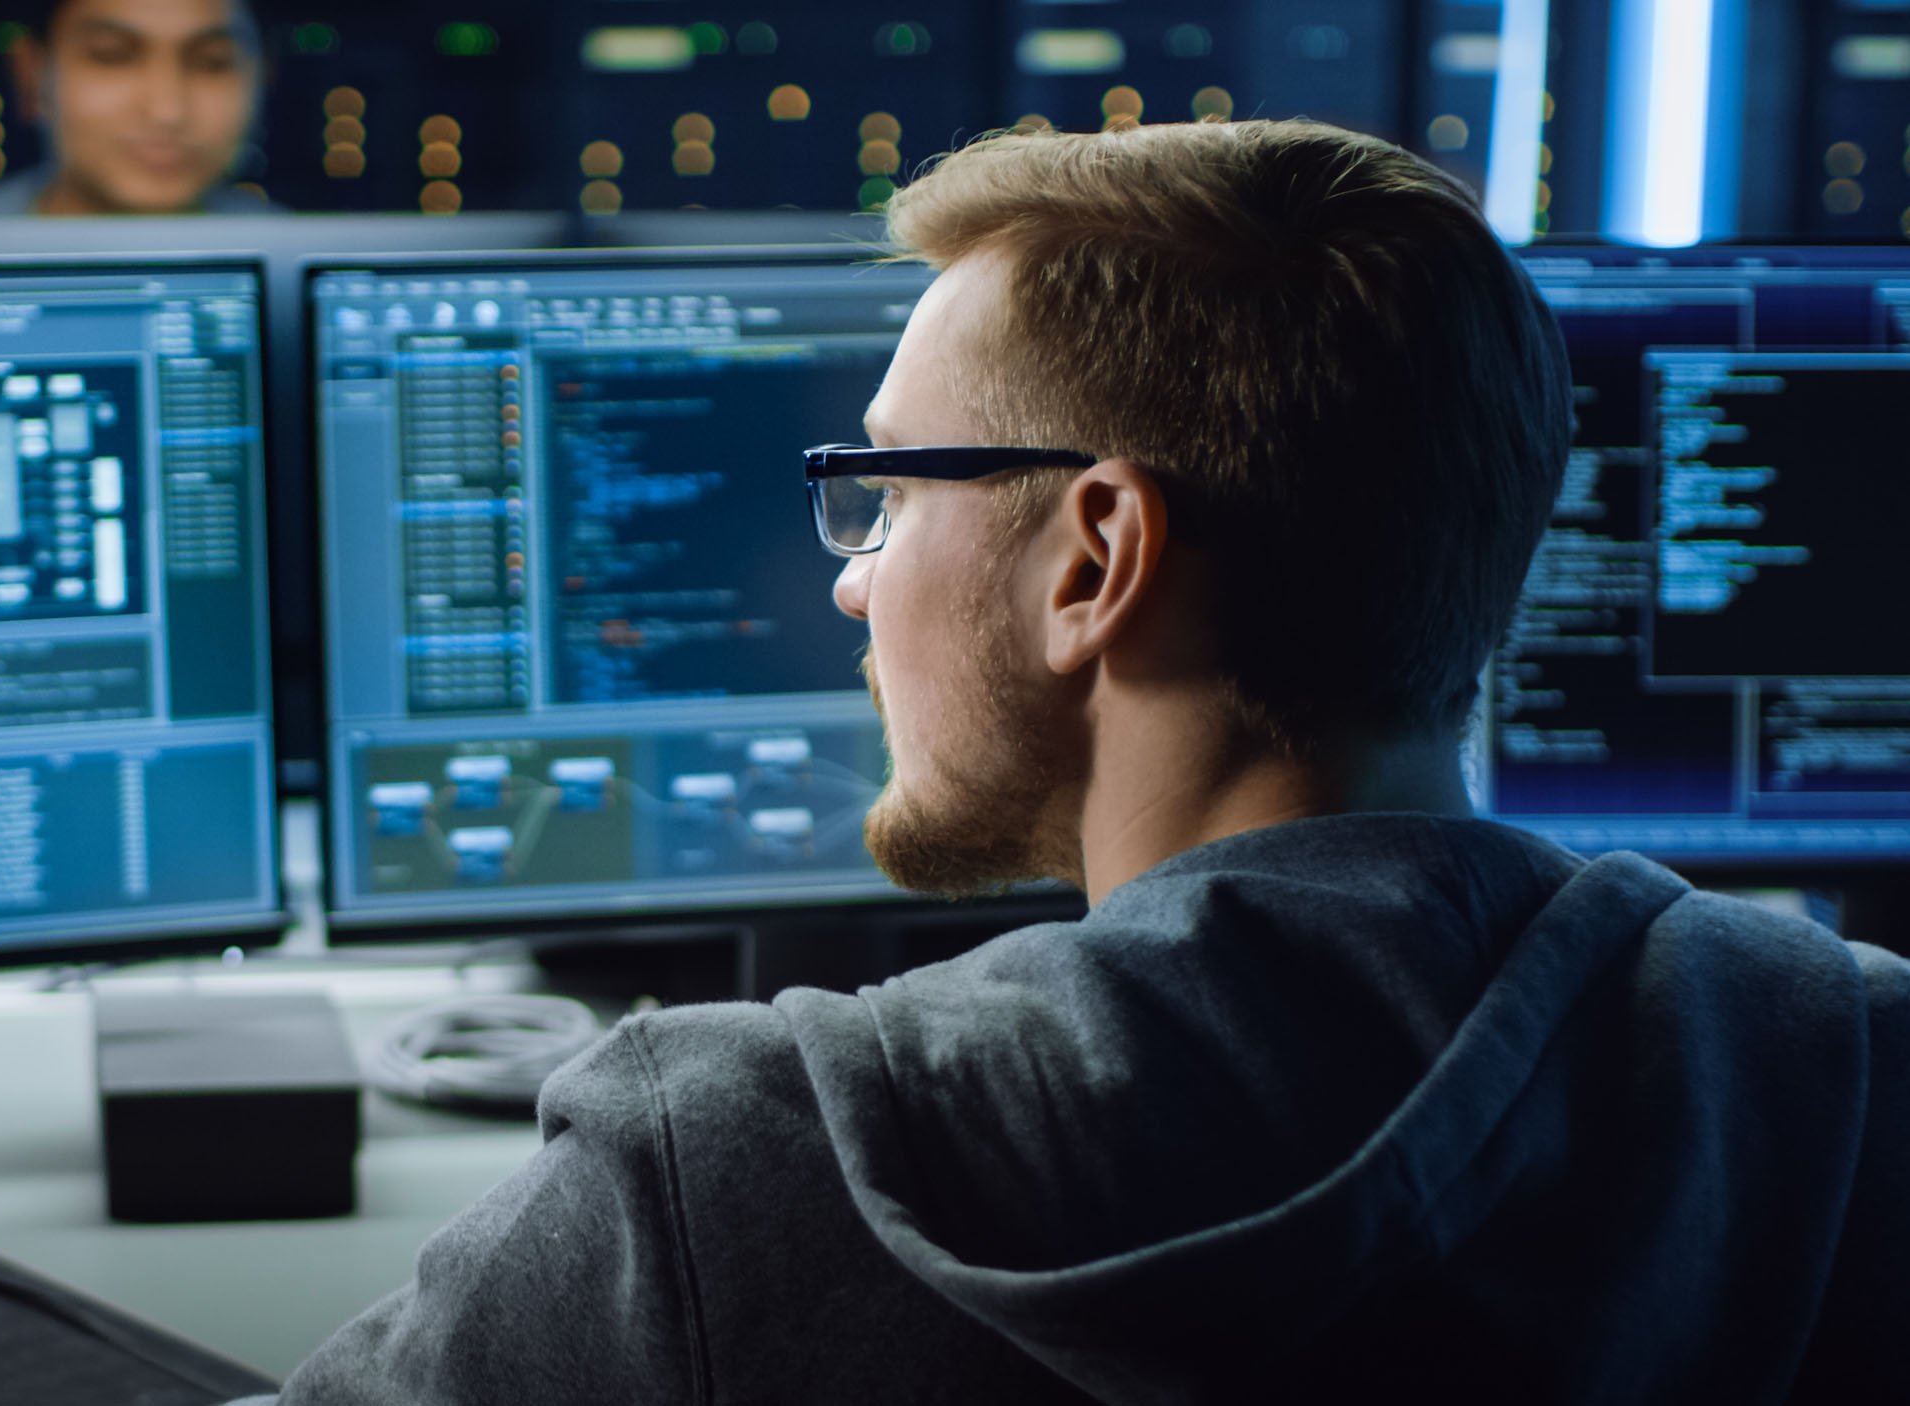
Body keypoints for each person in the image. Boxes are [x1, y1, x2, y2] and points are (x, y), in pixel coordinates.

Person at [248, 120, 1910, 1402]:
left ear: (1095, 556)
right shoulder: (1844, 1075)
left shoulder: (728, 1163)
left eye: (890, 492)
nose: (854, 570)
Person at [0, 0, 266, 216]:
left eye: (213, 63)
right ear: (32, 75)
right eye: (111, 56)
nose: (167, 111)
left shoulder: (307, 262)